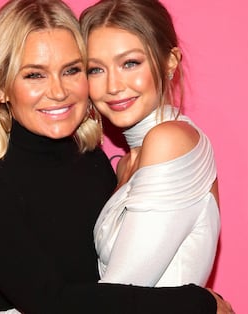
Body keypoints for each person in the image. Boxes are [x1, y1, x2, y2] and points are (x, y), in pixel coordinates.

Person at [0, 0, 233, 313]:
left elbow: (94, 297)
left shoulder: (95, 163)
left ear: (170, 61)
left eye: (71, 70)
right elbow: (63, 301)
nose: (58, 91)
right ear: (1, 88)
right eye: (34, 75)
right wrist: (198, 304)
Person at [79, 0, 221, 288]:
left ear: (170, 61)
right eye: (96, 70)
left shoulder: (170, 141)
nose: (113, 86)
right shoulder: (126, 164)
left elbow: (120, 292)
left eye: (130, 63)